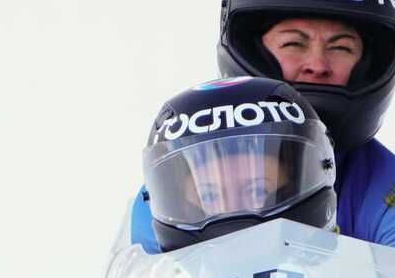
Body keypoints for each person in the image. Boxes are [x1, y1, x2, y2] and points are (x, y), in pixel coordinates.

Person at [130, 0, 395, 253]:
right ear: (252, 49)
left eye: (341, 47)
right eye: (294, 43)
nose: (317, 64)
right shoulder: (176, 183)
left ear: (368, 62)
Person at [141, 77, 337, 252]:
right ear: (180, 203)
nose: (232, 210)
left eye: (257, 191)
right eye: (210, 195)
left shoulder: (359, 269)